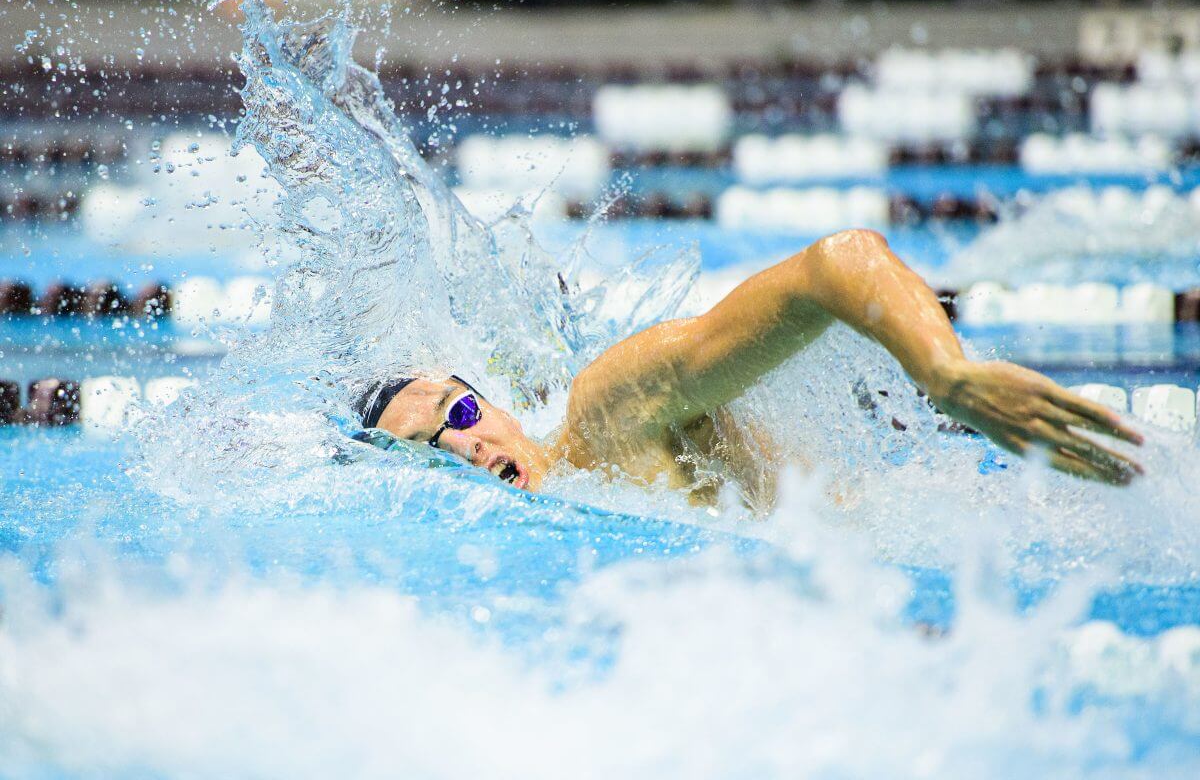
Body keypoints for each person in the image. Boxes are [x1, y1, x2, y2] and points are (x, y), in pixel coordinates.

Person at [354, 229, 1144, 501]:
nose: (471, 449)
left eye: (459, 417)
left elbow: (837, 265)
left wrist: (947, 377)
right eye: (434, 454)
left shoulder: (607, 415)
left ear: (498, 406)